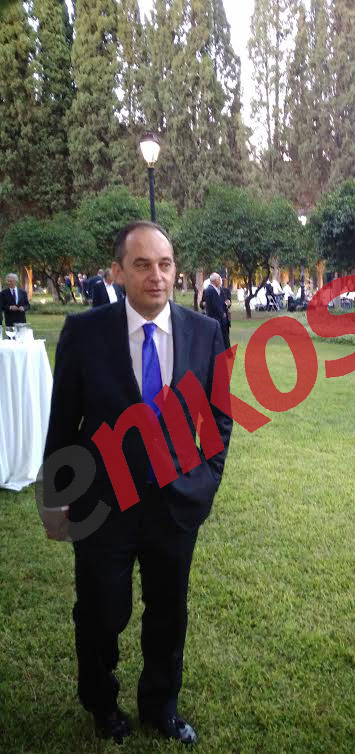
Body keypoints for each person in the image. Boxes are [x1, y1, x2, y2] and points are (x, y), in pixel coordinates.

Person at [42, 221, 233, 745]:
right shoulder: (84, 333)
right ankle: (101, 703)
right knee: (102, 612)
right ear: (118, 272)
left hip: (176, 503)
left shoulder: (204, 333)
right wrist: (55, 499)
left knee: (169, 612)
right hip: (103, 504)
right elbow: (63, 424)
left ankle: (160, 706)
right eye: (143, 265)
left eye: (165, 264)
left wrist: (207, 479)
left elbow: (220, 416)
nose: (156, 276)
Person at [204, 272, 230, 349]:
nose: (220, 281)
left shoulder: (218, 290)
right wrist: (222, 313)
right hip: (216, 318)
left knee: (225, 339)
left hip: (221, 320)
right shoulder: (210, 290)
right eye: (219, 279)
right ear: (215, 280)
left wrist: (225, 304)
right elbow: (215, 305)